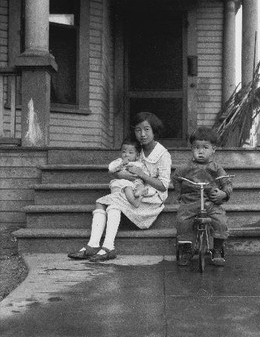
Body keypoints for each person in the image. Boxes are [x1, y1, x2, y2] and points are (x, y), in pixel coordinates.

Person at [68, 112, 172, 262]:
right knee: (103, 203)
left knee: (110, 203)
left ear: (154, 130)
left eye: (147, 129)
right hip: (132, 188)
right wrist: (123, 175)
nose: (142, 134)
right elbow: (115, 172)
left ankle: (108, 247)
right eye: (138, 130)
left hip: (150, 196)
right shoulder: (136, 149)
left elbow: (163, 186)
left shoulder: (162, 154)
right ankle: (94, 245)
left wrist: (141, 174)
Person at [172, 127, 233, 266]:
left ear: (213, 149)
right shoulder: (186, 167)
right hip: (190, 201)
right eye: (196, 147)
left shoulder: (216, 168)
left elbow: (226, 182)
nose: (200, 151)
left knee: (220, 221)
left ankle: (216, 249)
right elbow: (175, 178)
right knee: (183, 220)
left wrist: (223, 193)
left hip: (210, 201)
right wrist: (180, 193)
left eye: (205, 147)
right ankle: (186, 250)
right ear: (191, 149)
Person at [108, 137, 151, 208]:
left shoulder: (139, 164)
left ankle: (139, 193)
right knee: (128, 188)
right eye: (124, 152)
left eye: (130, 153)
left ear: (137, 156)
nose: (126, 155)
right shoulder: (119, 161)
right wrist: (121, 165)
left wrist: (140, 173)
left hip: (137, 181)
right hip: (125, 182)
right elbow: (111, 169)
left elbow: (146, 174)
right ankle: (134, 202)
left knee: (140, 186)